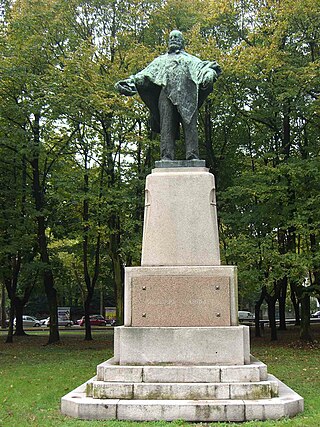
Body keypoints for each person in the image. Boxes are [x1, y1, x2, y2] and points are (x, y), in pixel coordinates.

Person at [115, 30, 221, 161]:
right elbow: (143, 75)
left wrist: (209, 74)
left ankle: (193, 156)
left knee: (190, 126)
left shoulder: (191, 59)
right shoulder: (160, 61)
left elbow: (207, 67)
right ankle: (166, 156)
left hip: (188, 95)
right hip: (165, 96)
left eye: (177, 37)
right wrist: (129, 83)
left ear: (182, 42)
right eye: (171, 37)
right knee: (166, 126)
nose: (173, 39)